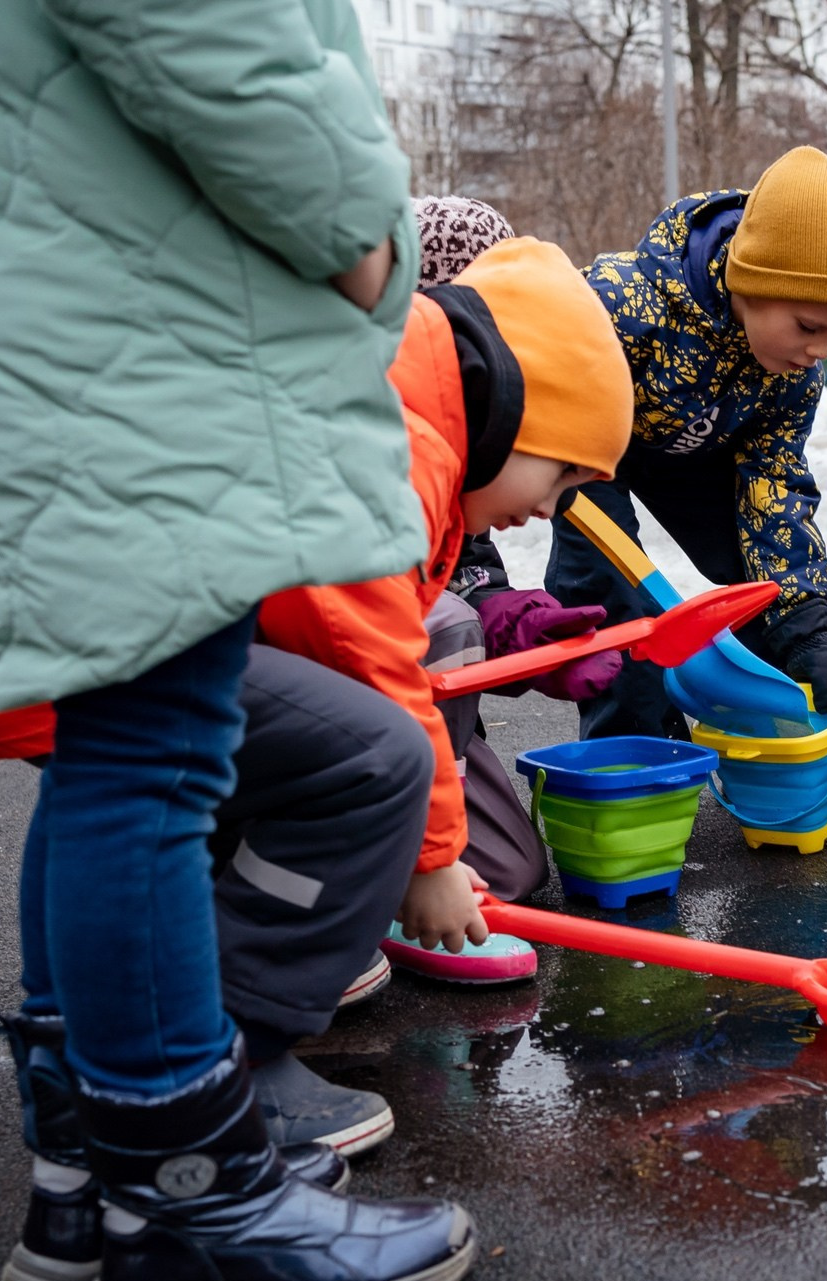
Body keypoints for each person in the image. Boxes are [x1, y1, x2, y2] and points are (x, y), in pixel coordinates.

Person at [0, 0, 475, 1281]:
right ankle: (192, 1195)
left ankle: (93, 1173)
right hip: (138, 314)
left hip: (59, 293)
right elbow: (205, 29)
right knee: (153, 758)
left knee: (116, 751)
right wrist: (359, 226)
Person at [0, 535, 421, 1281]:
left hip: (10, 571)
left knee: (109, 767)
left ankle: (79, 1195)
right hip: (87, 575)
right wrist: (437, 849)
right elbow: (347, 623)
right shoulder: (411, 424)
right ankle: (187, 1195)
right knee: (164, 751)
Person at [259, 235, 635, 929]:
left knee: (502, 865)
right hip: (143, 678)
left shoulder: (432, 453)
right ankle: (260, 964)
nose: (553, 509)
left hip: (177, 664)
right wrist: (427, 860)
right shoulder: (401, 453)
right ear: (514, 413)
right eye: (563, 474)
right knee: (384, 746)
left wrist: (514, 626)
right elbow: (372, 662)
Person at [548, 145, 827, 737]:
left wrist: (806, 628)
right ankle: (640, 747)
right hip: (591, 447)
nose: (819, 352)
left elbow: (775, 488)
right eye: (809, 327)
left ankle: (776, 716)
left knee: (760, 577)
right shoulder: (623, 306)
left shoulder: (792, 372)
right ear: (750, 281)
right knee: (615, 589)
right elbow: (541, 363)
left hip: (700, 451)